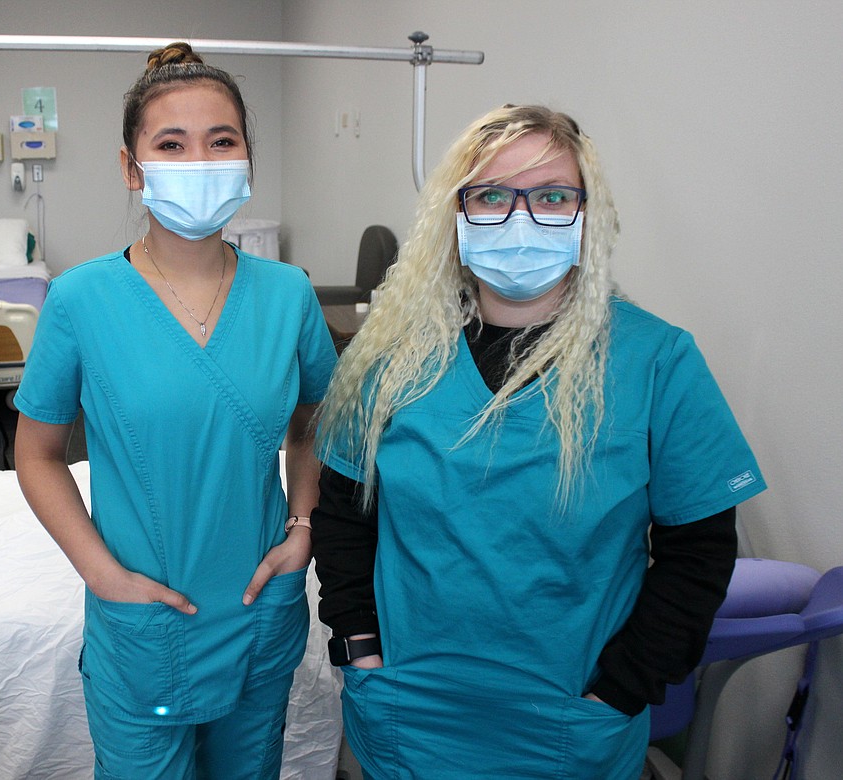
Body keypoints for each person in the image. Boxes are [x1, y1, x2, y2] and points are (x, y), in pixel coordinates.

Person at [311, 104, 766, 778]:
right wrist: (359, 647)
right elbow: (345, 517)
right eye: (492, 195)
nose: (521, 218)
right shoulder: (389, 358)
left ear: (587, 216)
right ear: (455, 215)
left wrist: (620, 688)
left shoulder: (655, 362)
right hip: (411, 713)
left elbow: (696, 554)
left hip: (569, 725)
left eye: (552, 196)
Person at [13, 43, 337, 779]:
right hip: (144, 620)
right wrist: (101, 574)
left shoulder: (287, 294)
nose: (199, 161)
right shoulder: (80, 301)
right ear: (132, 169)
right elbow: (35, 455)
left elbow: (316, 421)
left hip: (260, 607)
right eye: (171, 144)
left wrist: (303, 527)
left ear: (248, 159)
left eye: (221, 142)